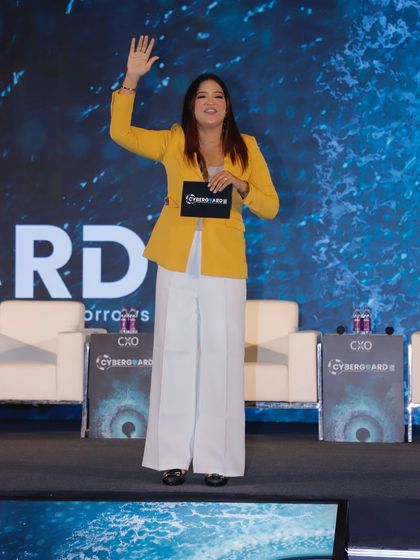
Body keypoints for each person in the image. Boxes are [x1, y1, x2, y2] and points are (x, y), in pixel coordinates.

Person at [110, 35, 279, 487]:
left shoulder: (247, 147)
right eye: (202, 96)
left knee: (222, 356)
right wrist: (131, 79)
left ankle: (217, 460)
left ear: (228, 106)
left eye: (218, 96)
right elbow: (121, 134)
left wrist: (242, 185)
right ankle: (172, 457)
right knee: (175, 353)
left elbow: (270, 206)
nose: (210, 102)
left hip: (225, 263)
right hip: (176, 258)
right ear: (191, 105)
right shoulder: (173, 141)